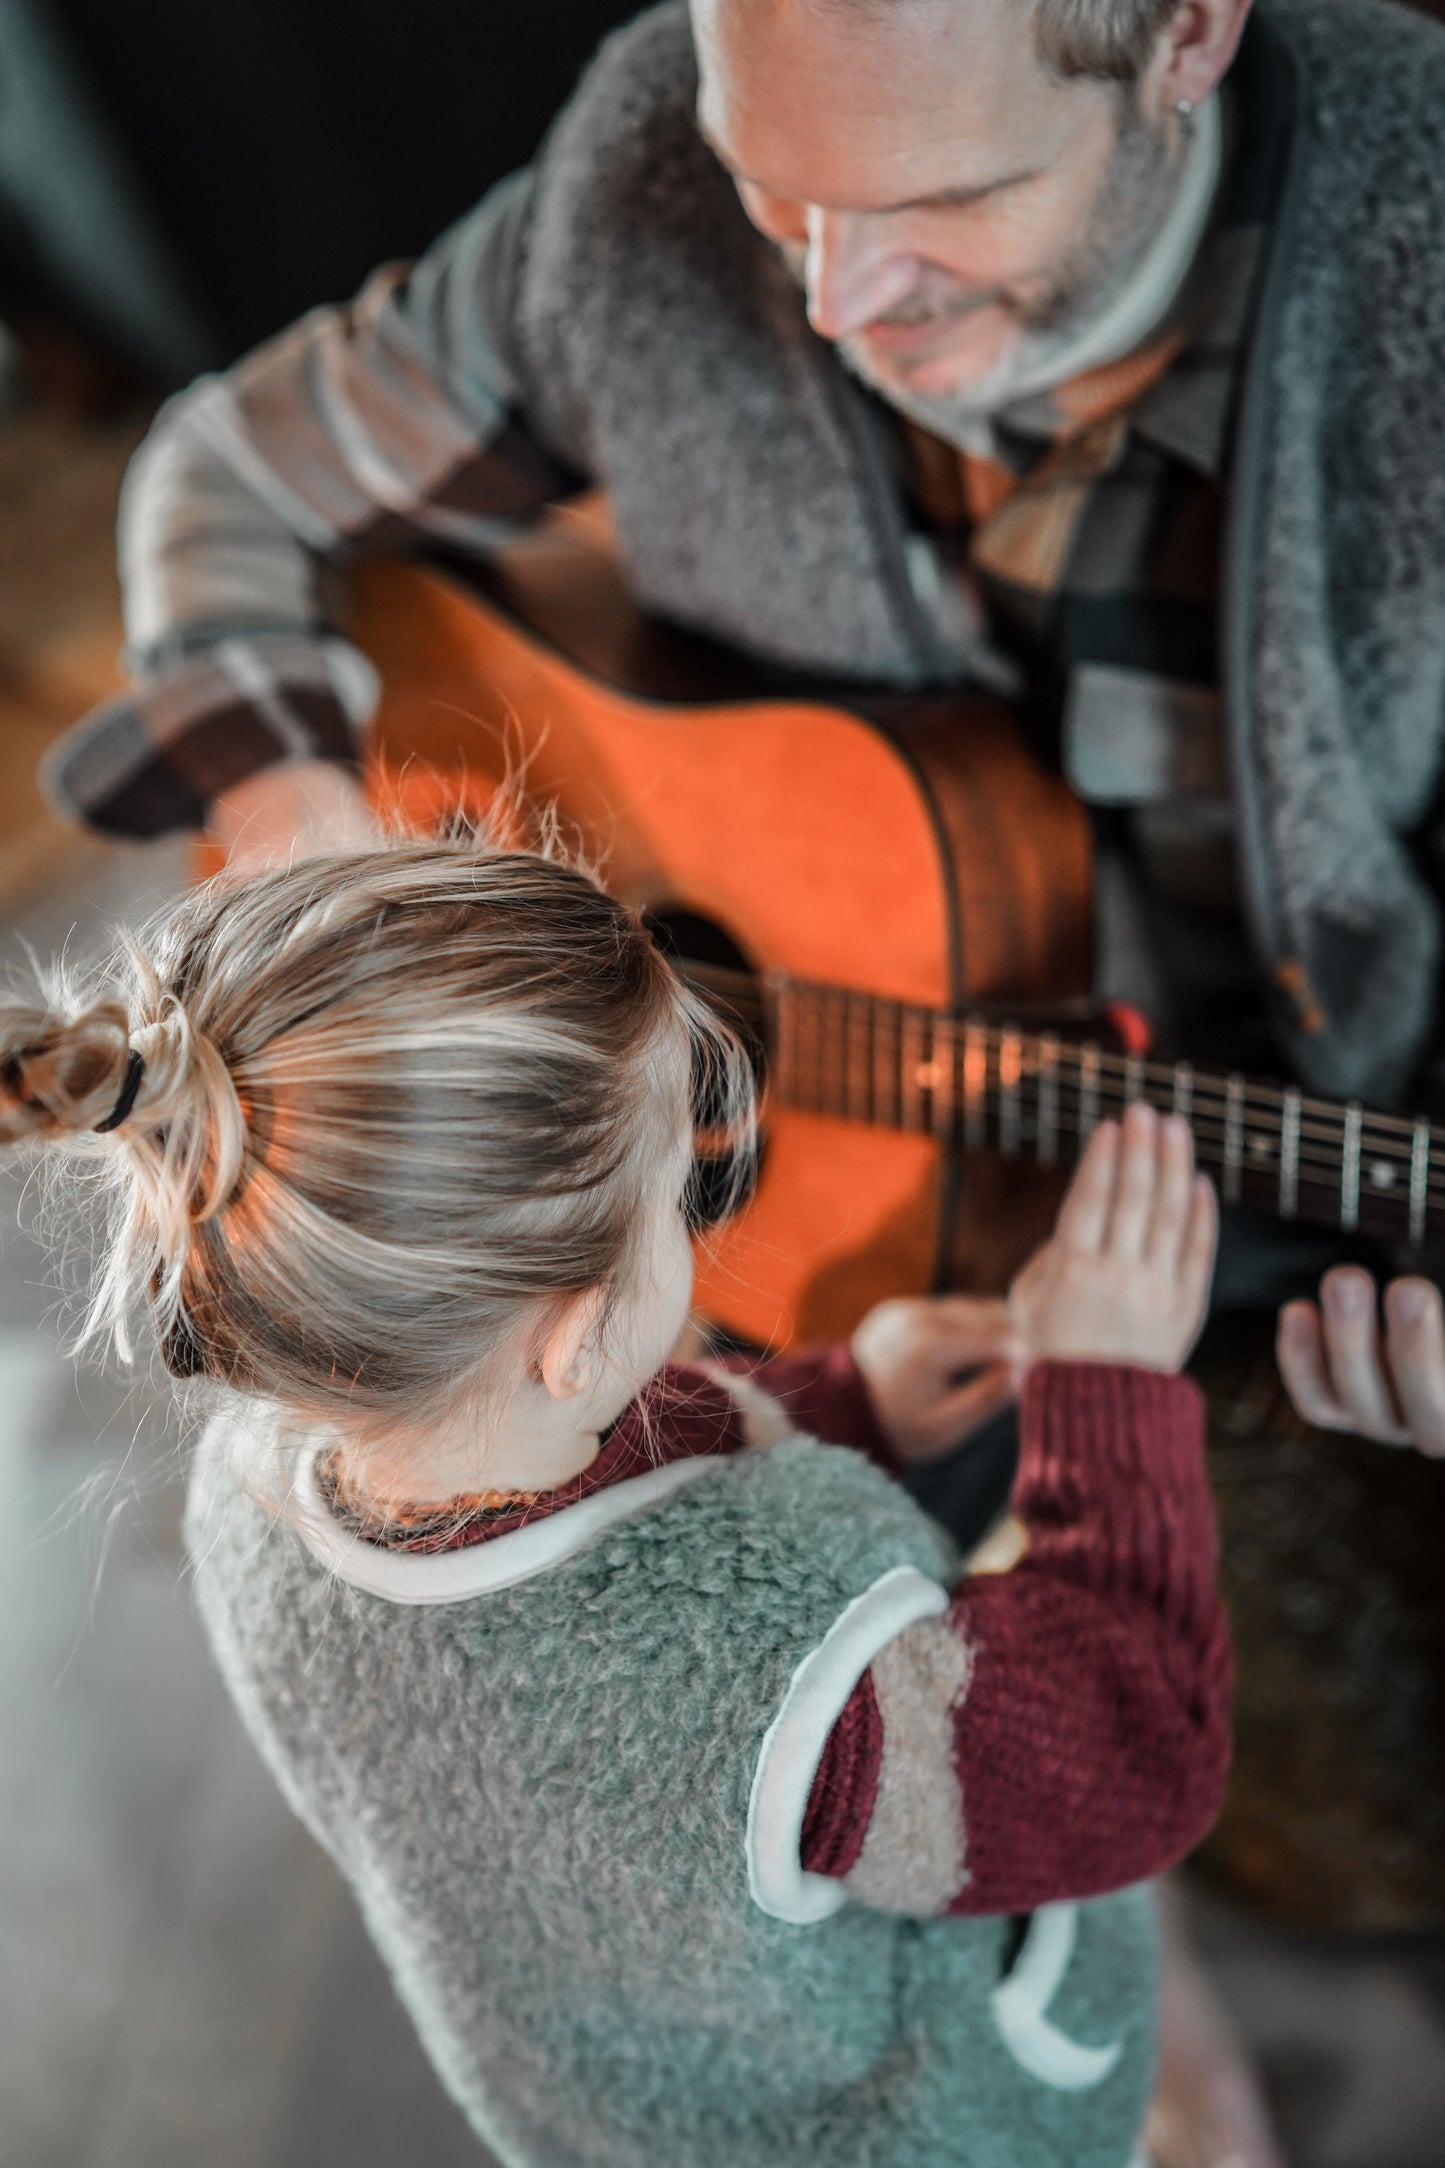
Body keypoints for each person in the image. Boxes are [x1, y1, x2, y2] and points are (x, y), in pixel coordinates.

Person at [42, 0, 1445, 1447]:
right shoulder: (647, 176)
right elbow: (226, 473)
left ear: (1188, 34)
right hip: (869, 1286)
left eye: (948, 200)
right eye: (772, 191)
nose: (834, 301)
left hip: (1296, 1209)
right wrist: (310, 846)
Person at [0, 837, 1226, 2168]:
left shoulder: (251, 1487)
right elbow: (1135, 1753)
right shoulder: (783, 1685)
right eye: (677, 1195)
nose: (691, 1219)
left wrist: (842, 1400)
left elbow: (590, 1488)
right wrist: (1110, 1393)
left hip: (609, 2098)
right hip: (909, 2125)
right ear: (580, 1336)